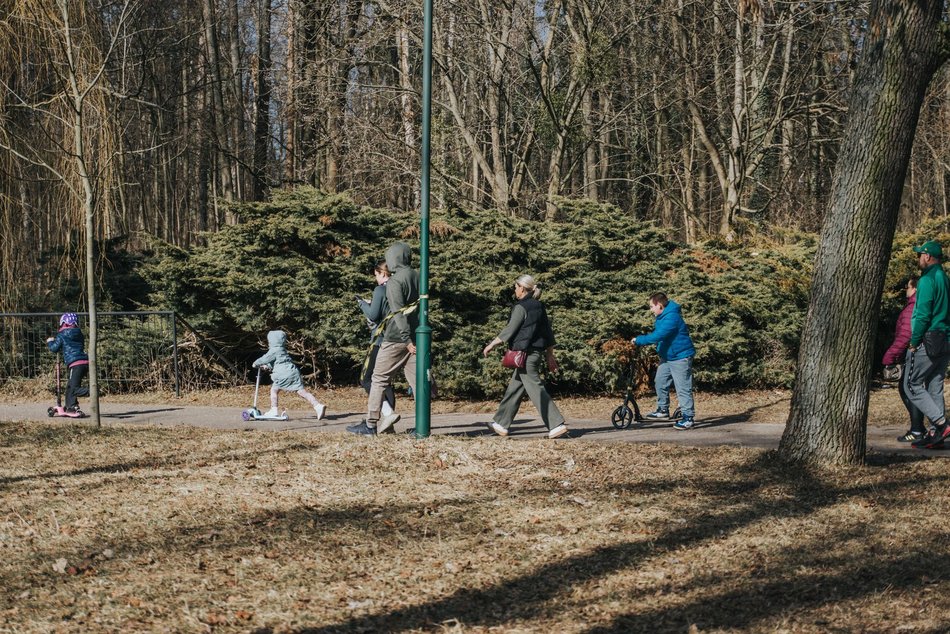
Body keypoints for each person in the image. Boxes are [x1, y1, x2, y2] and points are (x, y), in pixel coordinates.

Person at [482, 274, 568, 439]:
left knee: (535, 388)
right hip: (534, 354)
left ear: (522, 288)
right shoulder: (539, 306)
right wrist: (550, 355)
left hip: (525, 355)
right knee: (514, 388)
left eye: (515, 287)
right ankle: (501, 423)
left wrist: (492, 344)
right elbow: (548, 333)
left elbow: (510, 329)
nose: (514, 290)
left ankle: (556, 424)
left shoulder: (521, 307)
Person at [347, 242, 419, 435]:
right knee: (417, 383)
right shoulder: (418, 276)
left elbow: (398, 312)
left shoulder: (395, 282)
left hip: (397, 338)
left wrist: (406, 340)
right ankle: (422, 426)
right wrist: (413, 339)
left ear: (393, 258)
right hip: (416, 336)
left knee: (378, 379)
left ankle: (370, 425)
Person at [906, 240, 950, 449]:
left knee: (911, 384)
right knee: (934, 386)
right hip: (946, 338)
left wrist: (914, 342)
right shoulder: (945, 278)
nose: (918, 259)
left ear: (927, 256)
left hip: (929, 338)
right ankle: (935, 435)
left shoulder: (927, 280)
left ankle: (941, 424)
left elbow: (923, 314)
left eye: (919, 255)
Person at [631, 292, 696, 430]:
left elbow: (658, 336)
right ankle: (662, 410)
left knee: (682, 388)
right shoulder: (662, 316)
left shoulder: (672, 318)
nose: (651, 310)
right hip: (668, 356)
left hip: (680, 357)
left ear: (659, 305)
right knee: (660, 381)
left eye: (651, 306)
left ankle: (688, 418)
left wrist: (639, 340)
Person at [882, 277, 925, 442]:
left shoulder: (912, 307)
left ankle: (917, 430)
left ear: (914, 289)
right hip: (921, 352)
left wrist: (889, 357)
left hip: (913, 352)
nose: (906, 290)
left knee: (909, 388)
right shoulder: (919, 305)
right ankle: (921, 428)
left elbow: (905, 335)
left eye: (908, 287)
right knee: (910, 388)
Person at [252, 330, 327, 420]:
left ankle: (274, 410)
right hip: (293, 372)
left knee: (274, 390)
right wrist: (267, 366)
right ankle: (318, 406)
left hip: (282, 374)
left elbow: (265, 358)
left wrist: (256, 363)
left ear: (272, 341)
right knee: (301, 391)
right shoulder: (282, 350)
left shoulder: (274, 350)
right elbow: (278, 361)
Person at [356, 260, 396, 420]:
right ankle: (389, 419)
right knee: (386, 381)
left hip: (379, 340)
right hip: (395, 339)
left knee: (366, 379)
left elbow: (373, 315)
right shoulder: (398, 288)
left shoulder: (380, 290)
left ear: (383, 273)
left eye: (376, 275)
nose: (376, 279)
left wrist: (362, 304)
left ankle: (387, 413)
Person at [46, 312, 89, 414]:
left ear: (63, 323)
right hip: (84, 362)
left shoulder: (62, 335)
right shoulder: (79, 333)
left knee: (74, 389)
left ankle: (92, 390)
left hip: (75, 364)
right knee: (70, 387)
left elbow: (54, 348)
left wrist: (50, 342)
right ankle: (71, 406)